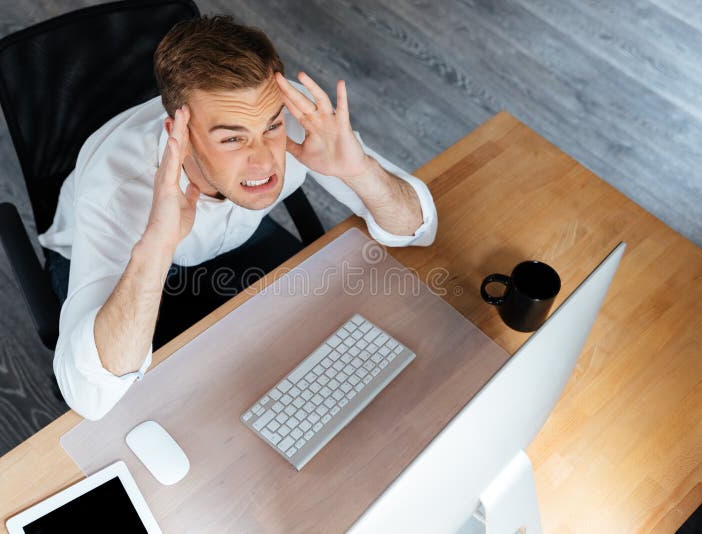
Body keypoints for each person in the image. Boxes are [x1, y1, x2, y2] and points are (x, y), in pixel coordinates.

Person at [39, 15, 437, 420]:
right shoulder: (114, 190)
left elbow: (416, 228)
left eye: (271, 127)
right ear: (181, 135)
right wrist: (156, 246)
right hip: (132, 256)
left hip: (234, 239)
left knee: (323, 352)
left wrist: (360, 171)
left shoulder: (290, 110)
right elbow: (88, 396)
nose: (264, 161)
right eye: (232, 138)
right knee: (168, 409)